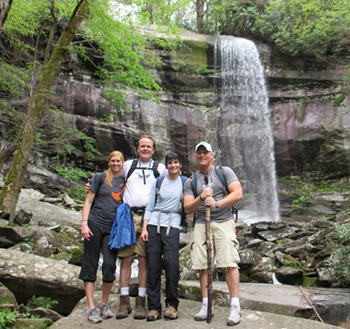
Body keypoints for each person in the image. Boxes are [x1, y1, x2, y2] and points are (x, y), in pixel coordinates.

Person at [183, 141, 243, 326]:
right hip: (201, 223)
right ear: (196, 156)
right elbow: (187, 208)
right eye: (199, 153)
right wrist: (201, 198)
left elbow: (238, 193)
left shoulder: (224, 172)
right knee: (202, 265)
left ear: (212, 155)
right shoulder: (191, 181)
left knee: (229, 262)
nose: (202, 156)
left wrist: (216, 203)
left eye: (205, 152)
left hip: (224, 221)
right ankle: (205, 303)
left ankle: (235, 305)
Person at [116, 135, 167, 320]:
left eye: (149, 147)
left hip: (149, 218)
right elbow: (112, 176)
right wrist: (93, 185)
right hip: (128, 217)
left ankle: (141, 301)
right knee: (126, 258)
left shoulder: (160, 169)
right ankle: (123, 301)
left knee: (144, 260)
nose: (145, 149)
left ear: (153, 150)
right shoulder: (128, 166)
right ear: (137, 149)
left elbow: (172, 183)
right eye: (142, 146)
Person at [79, 150, 125, 324]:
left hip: (113, 228)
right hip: (95, 224)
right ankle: (91, 307)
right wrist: (84, 222)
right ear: (109, 162)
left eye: (118, 161)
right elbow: (88, 201)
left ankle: (104, 304)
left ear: (122, 162)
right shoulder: (99, 178)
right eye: (112, 160)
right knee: (90, 263)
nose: (115, 163)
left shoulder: (125, 180)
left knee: (109, 264)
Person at [140, 152, 185, 321]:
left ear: (180, 165)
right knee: (153, 266)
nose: (173, 165)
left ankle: (172, 305)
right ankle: (153, 307)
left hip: (172, 226)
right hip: (153, 225)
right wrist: (145, 228)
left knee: (172, 265)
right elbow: (150, 206)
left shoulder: (185, 182)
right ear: (166, 166)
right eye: (170, 163)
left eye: (176, 162)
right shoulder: (158, 182)